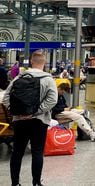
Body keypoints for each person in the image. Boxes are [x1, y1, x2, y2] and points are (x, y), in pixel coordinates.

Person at [2, 50, 57, 186]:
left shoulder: (18, 78)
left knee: (17, 152)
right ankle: (36, 182)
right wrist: (35, 112)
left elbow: (6, 98)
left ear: (32, 62)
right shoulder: (48, 79)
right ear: (44, 63)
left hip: (20, 121)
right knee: (37, 151)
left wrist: (15, 111)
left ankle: (15, 183)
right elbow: (52, 100)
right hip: (39, 121)